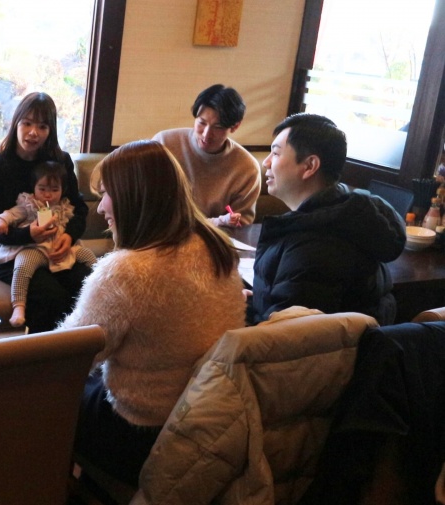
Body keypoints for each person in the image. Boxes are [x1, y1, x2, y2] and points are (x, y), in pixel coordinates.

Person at [59, 139, 246, 486]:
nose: (101, 208)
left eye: (106, 194)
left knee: (39, 398)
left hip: (138, 433)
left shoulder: (128, 271)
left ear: (132, 197)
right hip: (204, 421)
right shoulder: (214, 246)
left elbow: (66, 356)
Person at [249, 113, 406, 325]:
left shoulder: (313, 248)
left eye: (276, 153)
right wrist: (254, 302)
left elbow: (285, 335)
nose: (266, 162)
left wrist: (245, 314)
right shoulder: (345, 217)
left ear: (310, 166)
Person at [0, 91, 90, 333]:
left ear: (51, 130)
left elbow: (79, 208)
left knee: (87, 283)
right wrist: (28, 234)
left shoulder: (60, 163)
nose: (33, 132)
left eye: (42, 126)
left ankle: (77, 350)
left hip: (55, 248)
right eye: (27, 123)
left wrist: (68, 236)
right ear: (16, 123)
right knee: (51, 296)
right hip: (10, 253)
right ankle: (42, 353)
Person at [0, 161, 98, 327]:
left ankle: (103, 285)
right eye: (42, 189)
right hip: (36, 249)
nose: (48, 195)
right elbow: (11, 214)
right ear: (34, 187)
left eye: (54, 190)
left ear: (62, 190)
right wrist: (1, 222)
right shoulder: (30, 204)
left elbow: (78, 218)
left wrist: (69, 236)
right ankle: (18, 306)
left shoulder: (64, 206)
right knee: (23, 265)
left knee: (87, 255)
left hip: (59, 249)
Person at [153, 84, 261, 227]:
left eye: (218, 127)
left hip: (213, 237)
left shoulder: (247, 168)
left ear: (235, 126)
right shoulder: (164, 143)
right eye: (202, 123)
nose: (206, 134)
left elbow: (240, 225)